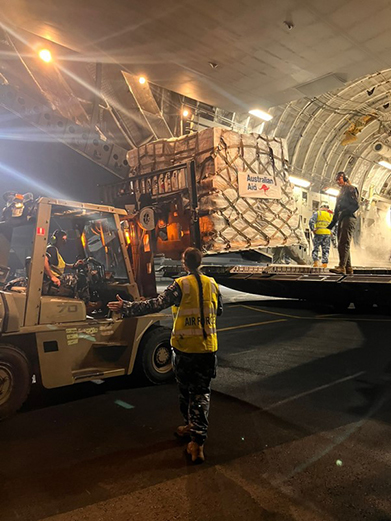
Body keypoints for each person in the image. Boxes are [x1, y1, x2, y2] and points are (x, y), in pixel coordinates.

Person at [108, 247, 223, 463]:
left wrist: (126, 307)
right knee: (202, 394)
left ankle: (196, 443)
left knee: (187, 393)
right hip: (208, 349)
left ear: (184, 263)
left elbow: (155, 304)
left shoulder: (180, 285)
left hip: (186, 350)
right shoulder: (213, 285)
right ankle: (196, 433)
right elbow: (219, 311)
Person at [328, 172, 359, 275]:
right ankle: (348, 267)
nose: (337, 181)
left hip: (349, 218)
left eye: (339, 179)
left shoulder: (351, 189)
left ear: (345, 178)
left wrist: (344, 212)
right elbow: (337, 210)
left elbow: (355, 205)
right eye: (336, 179)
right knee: (342, 243)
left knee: (343, 243)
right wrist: (330, 226)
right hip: (343, 218)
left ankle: (342, 266)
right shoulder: (341, 192)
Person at [44, 229, 88, 301]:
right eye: (62, 239)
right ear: (55, 239)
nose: (65, 242)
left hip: (57, 277)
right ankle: (85, 302)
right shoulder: (51, 249)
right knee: (81, 277)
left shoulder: (55, 250)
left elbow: (61, 265)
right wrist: (52, 277)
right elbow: (44, 261)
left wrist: (74, 265)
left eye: (65, 239)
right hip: (53, 280)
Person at [309, 203, 335, 268]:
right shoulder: (330, 215)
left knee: (316, 248)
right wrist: (332, 232)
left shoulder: (317, 213)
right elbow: (335, 224)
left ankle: (316, 262)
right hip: (327, 234)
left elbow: (311, 221)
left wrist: (313, 229)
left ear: (321, 207)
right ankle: (324, 264)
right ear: (327, 209)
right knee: (326, 249)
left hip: (318, 233)